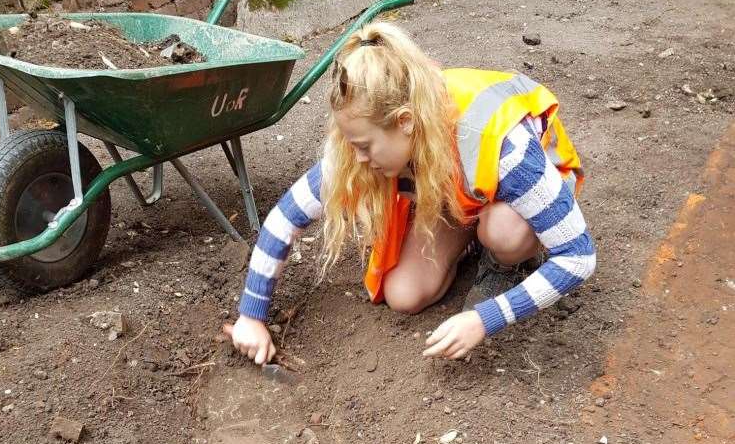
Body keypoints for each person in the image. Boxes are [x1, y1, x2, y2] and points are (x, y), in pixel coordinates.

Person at [223, 22, 596, 365]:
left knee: (504, 231)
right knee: (404, 295)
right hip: (454, 189)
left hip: (513, 197)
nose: (357, 158)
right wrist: (251, 316)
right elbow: (286, 217)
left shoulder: (503, 146)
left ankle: (503, 262)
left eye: (365, 146)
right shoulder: (367, 134)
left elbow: (577, 257)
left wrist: (486, 319)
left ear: (405, 122)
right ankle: (468, 237)